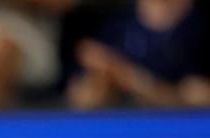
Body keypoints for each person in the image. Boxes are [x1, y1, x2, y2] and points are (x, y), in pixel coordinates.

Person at [66, 0, 210, 108]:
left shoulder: (198, 25)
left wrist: (121, 71)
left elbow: (198, 94)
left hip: (187, 131)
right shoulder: (118, 25)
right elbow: (83, 96)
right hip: (129, 131)